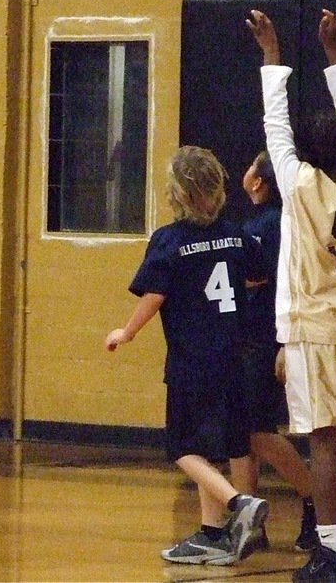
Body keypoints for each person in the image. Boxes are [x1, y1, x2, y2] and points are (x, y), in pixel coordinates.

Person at [246, 9, 336, 583]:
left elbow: (273, 125)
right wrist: (335, 54)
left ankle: (330, 553)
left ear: (306, 154)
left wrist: (271, 52)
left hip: (314, 330)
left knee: (324, 446)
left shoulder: (299, 185)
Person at [105, 146, 269, 566]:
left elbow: (154, 295)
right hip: (234, 355)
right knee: (211, 448)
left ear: (176, 194)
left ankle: (239, 503)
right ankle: (211, 535)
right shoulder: (237, 234)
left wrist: (127, 331)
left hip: (193, 362)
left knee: (181, 447)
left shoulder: (169, 240)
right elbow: (258, 275)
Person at [237, 150, 317, 552]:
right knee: (244, 434)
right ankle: (251, 521)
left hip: (263, 337)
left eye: (251, 166)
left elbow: (254, 277)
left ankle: (319, 501)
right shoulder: (263, 222)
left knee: (259, 432)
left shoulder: (267, 225)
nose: (245, 171)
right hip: (253, 336)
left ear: (258, 182)